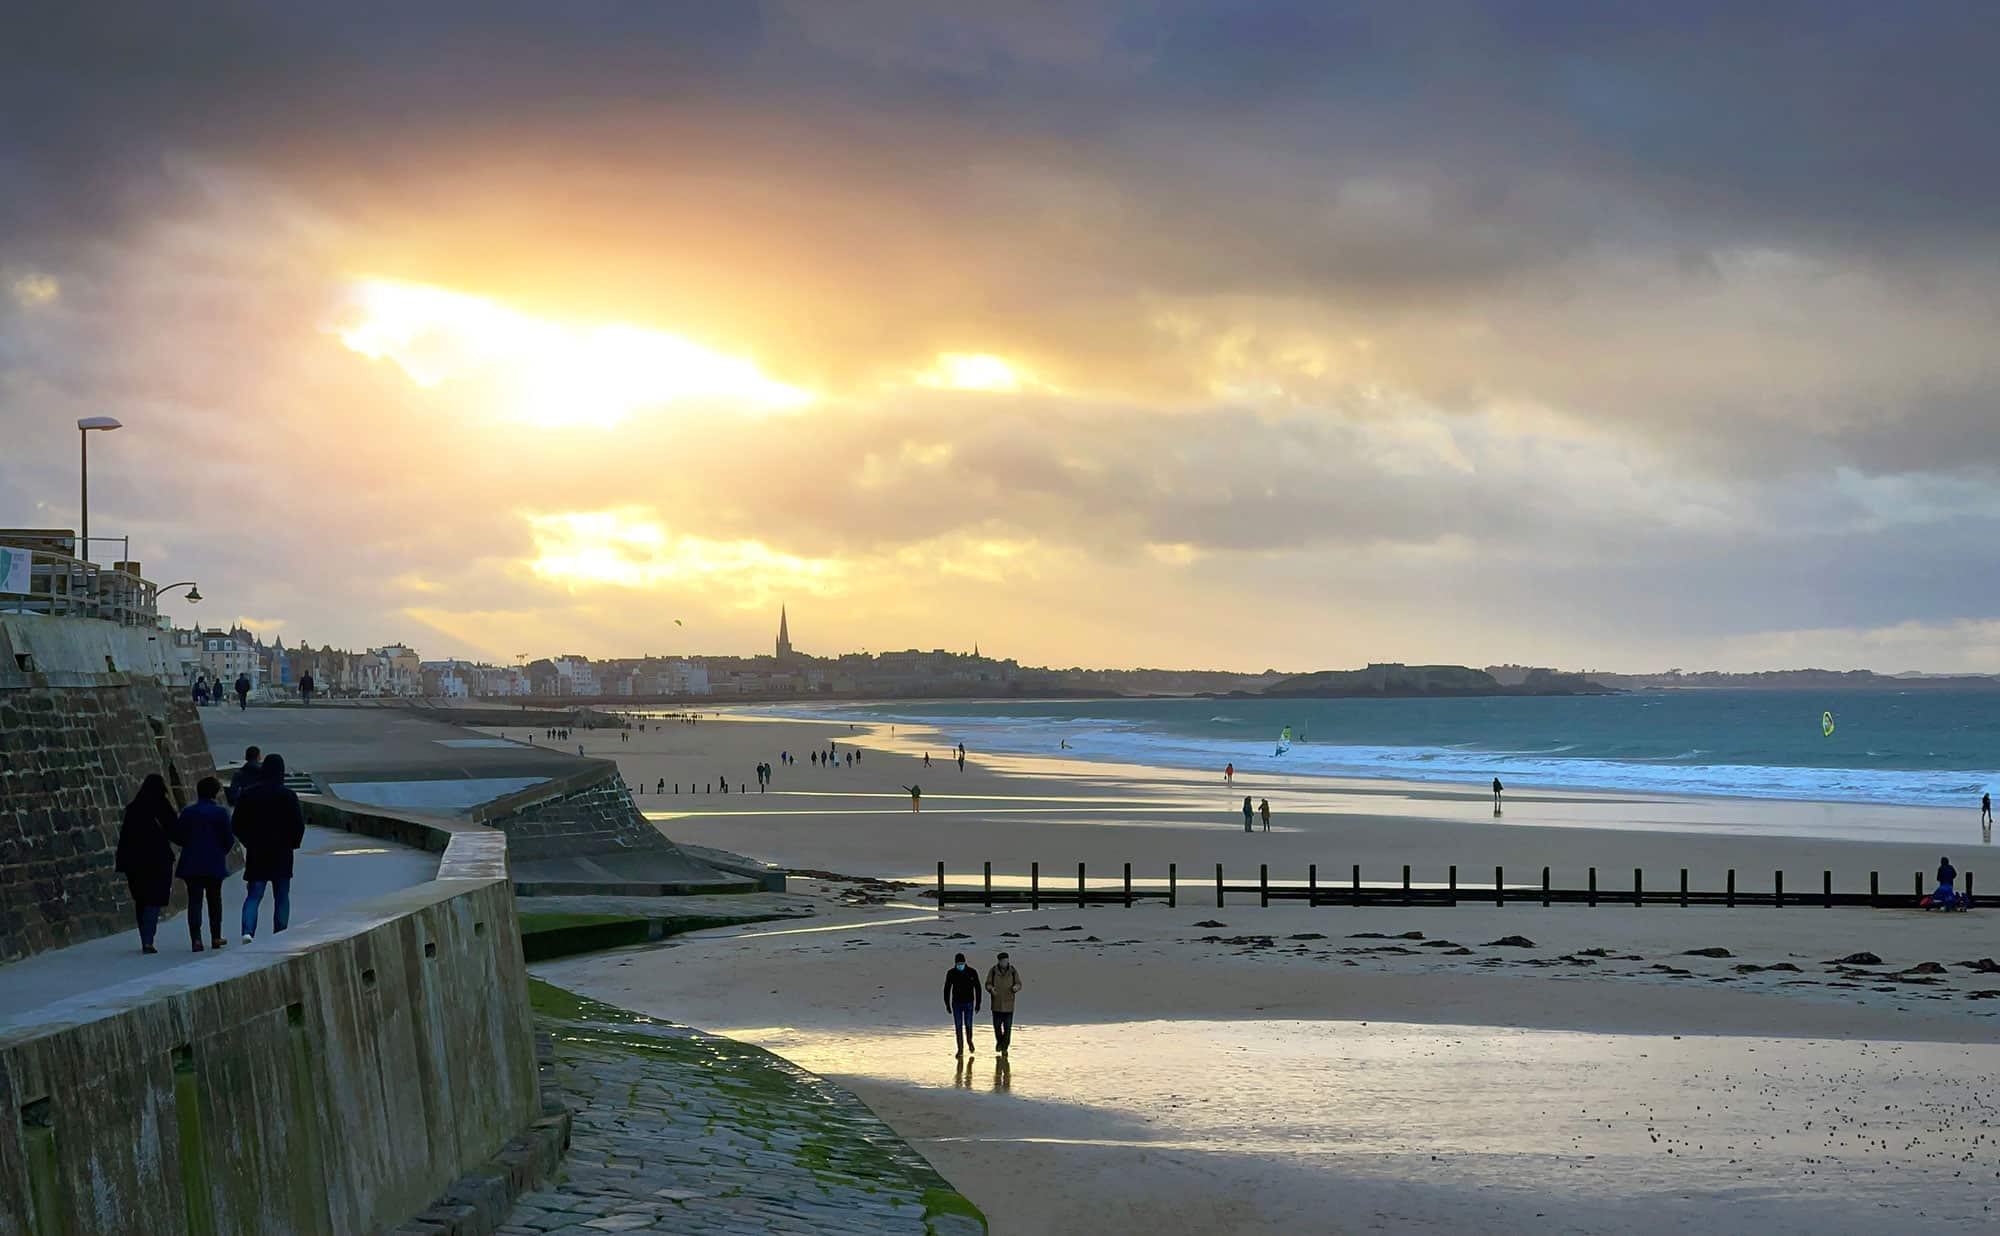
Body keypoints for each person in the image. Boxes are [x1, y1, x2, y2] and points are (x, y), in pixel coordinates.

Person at [234, 753, 306, 943]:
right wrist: (293, 843)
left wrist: (248, 841)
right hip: (282, 851)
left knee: (254, 895)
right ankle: (280, 933)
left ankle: (247, 932)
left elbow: (237, 824)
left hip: (257, 851)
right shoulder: (288, 795)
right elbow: (298, 824)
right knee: (281, 896)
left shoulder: (248, 793)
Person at [114, 774, 178, 955]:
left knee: (141, 899)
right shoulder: (161, 805)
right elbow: (173, 829)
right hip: (157, 859)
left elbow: (125, 838)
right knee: (154, 899)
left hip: (134, 862)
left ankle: (145, 938)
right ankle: (149, 940)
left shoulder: (133, 809)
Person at [172, 776, 235, 952]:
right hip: (214, 862)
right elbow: (229, 839)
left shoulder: (188, 812)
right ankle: (216, 936)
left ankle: (196, 940)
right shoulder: (221, 813)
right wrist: (220, 851)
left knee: (194, 901)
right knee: (215, 900)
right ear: (215, 793)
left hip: (191, 862)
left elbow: (178, 835)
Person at [944, 952, 982, 1056]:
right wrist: (947, 1004)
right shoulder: (951, 973)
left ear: (965, 962)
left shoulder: (972, 972)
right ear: (955, 963)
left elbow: (978, 988)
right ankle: (960, 1049)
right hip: (956, 1003)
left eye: (961, 963)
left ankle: (969, 1042)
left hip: (969, 1002)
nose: (960, 965)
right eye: (958, 963)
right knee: (958, 1026)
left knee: (968, 1025)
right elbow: (947, 989)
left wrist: (978, 1003)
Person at [985, 951, 1022, 1054]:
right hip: (996, 1004)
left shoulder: (1013, 971)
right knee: (997, 1027)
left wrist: (1016, 988)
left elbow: (1019, 983)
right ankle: (999, 1042)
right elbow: (987, 984)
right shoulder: (993, 971)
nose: (1005, 962)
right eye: (1002, 961)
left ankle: (1004, 1047)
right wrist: (991, 989)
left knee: (1007, 1028)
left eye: (1006, 960)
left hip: (1009, 1004)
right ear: (999, 961)